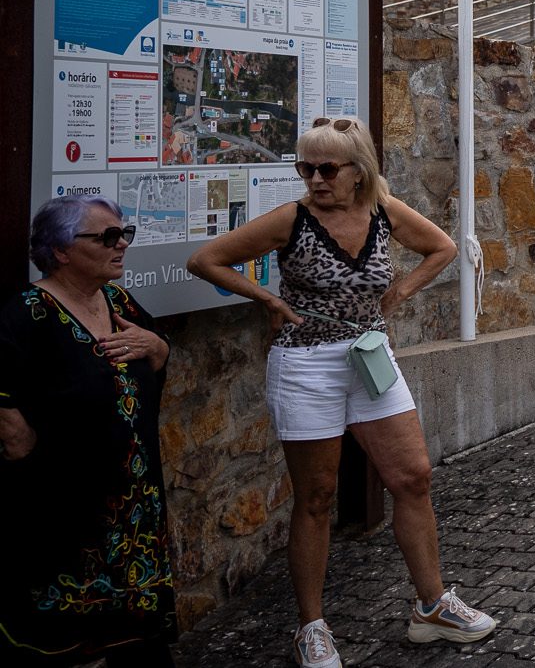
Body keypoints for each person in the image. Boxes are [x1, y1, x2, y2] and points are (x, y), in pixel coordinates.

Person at [187, 117, 495, 668]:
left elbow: (443, 247)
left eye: (326, 169)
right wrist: (267, 299)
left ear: (358, 170)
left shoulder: (382, 211)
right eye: (305, 168)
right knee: (317, 497)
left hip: (369, 358)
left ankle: (431, 606)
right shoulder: (292, 219)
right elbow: (205, 260)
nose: (315, 179)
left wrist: (399, 292)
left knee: (413, 478)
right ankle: (312, 626)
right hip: (305, 365)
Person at [1, 196, 176, 666]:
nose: (122, 245)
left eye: (125, 234)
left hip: (134, 504)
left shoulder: (117, 300)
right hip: (68, 505)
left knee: (138, 639)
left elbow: (157, 351)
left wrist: (156, 347)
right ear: (61, 250)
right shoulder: (30, 312)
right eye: (107, 237)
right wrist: (15, 433)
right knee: (70, 637)